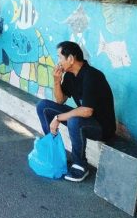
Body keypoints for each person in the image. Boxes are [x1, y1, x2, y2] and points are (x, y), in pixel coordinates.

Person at [36, 41, 116, 182]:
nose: (58, 62)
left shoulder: (92, 76)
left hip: (102, 127)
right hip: (85, 119)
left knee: (74, 119)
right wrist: (56, 80)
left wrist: (58, 118)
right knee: (43, 106)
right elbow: (60, 101)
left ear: (71, 59)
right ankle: (54, 152)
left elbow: (87, 111)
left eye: (60, 57)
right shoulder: (70, 76)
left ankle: (80, 165)